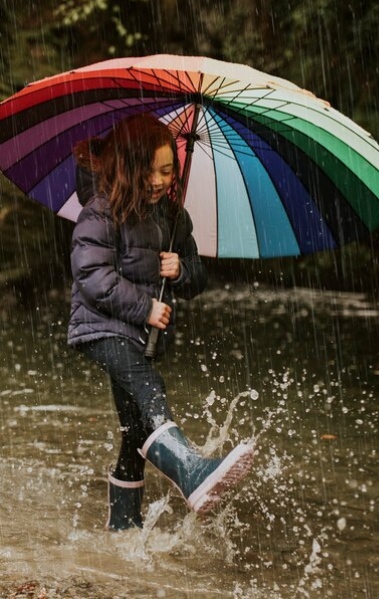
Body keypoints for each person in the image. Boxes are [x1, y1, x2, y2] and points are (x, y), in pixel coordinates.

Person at [67, 113, 254, 531]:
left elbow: (197, 278)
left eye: (167, 171)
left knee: (135, 430)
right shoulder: (100, 211)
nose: (158, 180)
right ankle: (190, 469)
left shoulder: (173, 217)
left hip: (137, 334)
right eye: (149, 170)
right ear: (128, 167)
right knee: (149, 388)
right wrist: (146, 308)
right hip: (100, 328)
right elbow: (93, 277)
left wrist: (181, 270)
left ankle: (122, 528)